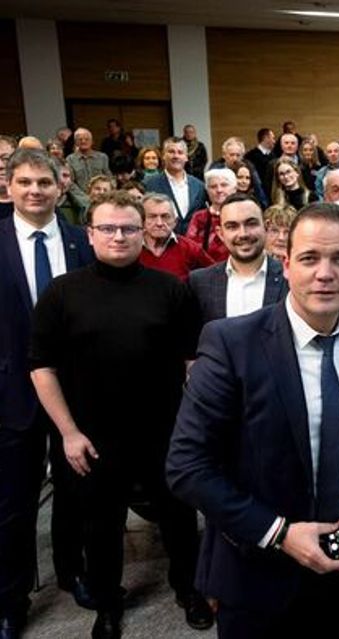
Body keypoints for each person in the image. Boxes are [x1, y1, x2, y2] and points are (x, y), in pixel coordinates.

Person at [167, 202, 339, 638]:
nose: (325, 273)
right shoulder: (231, 343)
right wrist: (280, 533)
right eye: (310, 258)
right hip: (256, 569)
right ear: (286, 264)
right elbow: (187, 466)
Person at [29, 190, 210, 639]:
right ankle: (107, 603)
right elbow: (42, 368)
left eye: (129, 228)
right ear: (89, 234)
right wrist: (68, 433)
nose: (119, 236)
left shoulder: (170, 289)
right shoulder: (62, 292)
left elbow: (193, 363)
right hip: (92, 436)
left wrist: (194, 427)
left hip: (164, 430)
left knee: (179, 516)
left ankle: (189, 589)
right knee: (101, 525)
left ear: (143, 231)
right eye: (107, 228)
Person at [0, 149, 94, 639]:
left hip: (76, 393)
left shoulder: (83, 242)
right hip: (10, 396)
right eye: (24, 182)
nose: (35, 190)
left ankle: (72, 572)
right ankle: (10, 600)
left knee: (75, 493)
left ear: (60, 185)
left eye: (43, 182)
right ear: (9, 186)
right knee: (12, 502)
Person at [189, 193, 287, 324]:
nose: (243, 234)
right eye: (232, 226)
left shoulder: (291, 278)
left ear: (266, 227)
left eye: (251, 224)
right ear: (221, 234)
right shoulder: (199, 283)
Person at [139, 193, 214, 282]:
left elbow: (216, 275)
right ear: (141, 220)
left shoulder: (190, 249)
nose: (159, 223)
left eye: (165, 217)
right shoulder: (131, 249)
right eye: (152, 217)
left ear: (175, 221)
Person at [144, 137, 207, 235]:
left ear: (186, 157)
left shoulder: (199, 186)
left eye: (180, 152)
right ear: (163, 156)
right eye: (171, 152)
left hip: (193, 241)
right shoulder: (150, 185)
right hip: (163, 239)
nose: (176, 156)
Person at [185, 168, 238, 263]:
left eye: (224, 185)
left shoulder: (243, 215)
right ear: (207, 190)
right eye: (213, 186)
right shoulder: (199, 217)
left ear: (234, 189)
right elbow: (190, 249)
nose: (219, 190)